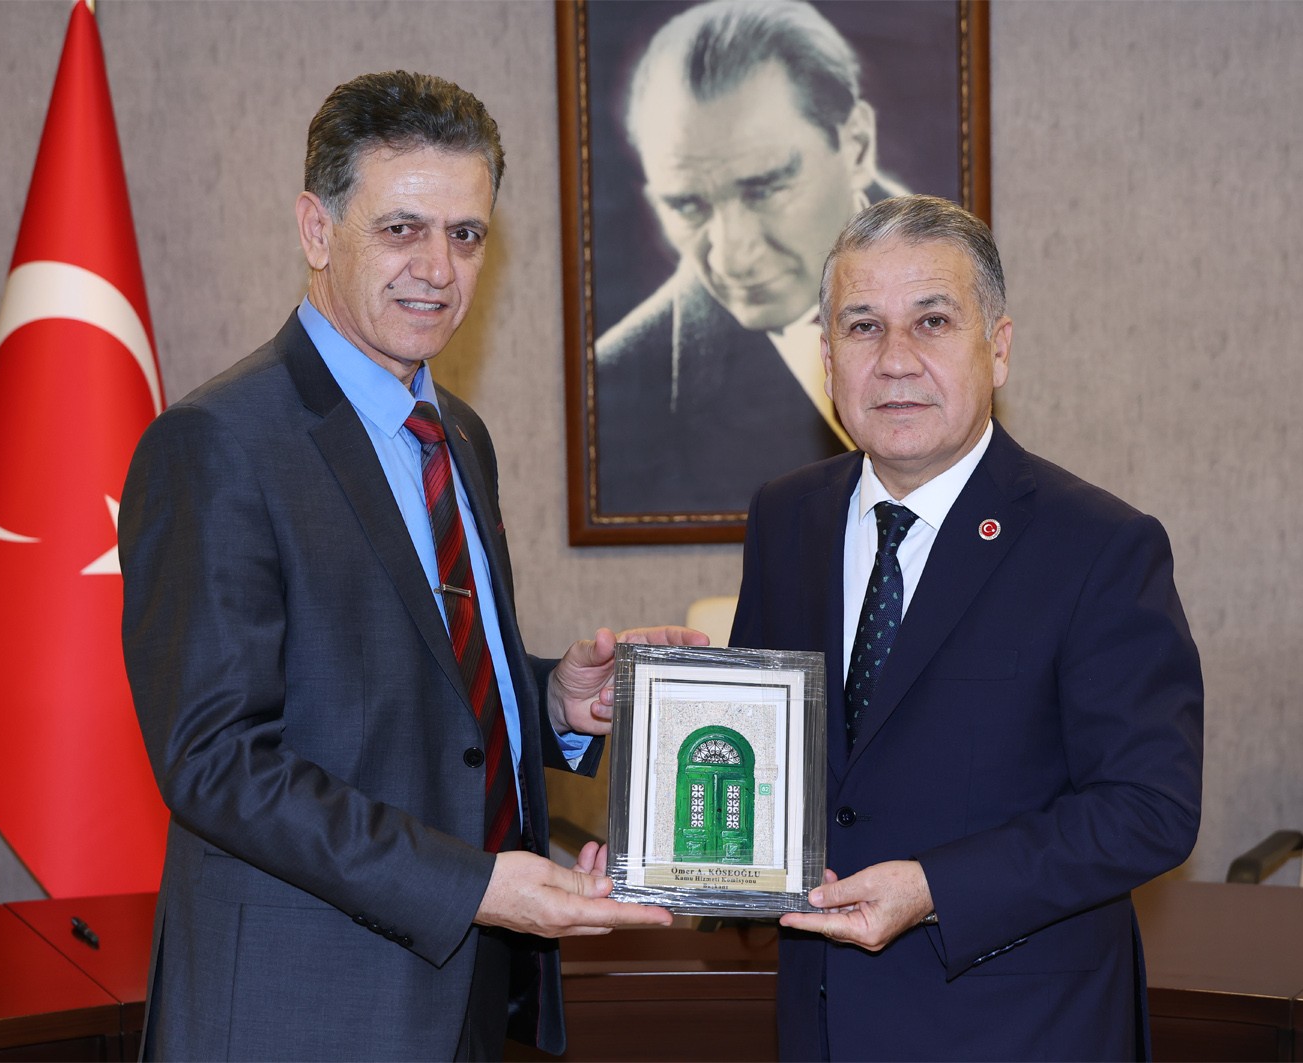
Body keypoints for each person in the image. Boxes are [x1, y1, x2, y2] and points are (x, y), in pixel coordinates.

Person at [120, 71, 691, 1060]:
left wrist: (551, 701)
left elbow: (421, 691)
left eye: (465, 235)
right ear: (316, 230)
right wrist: (471, 884)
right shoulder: (217, 443)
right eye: (401, 229)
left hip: (469, 995)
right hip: (303, 1012)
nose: (437, 268)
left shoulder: (457, 433)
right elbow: (215, 761)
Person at [730, 195, 1204, 1060]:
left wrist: (934, 887)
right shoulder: (785, 516)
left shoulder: (1098, 544)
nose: (895, 359)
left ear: (999, 347)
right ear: (828, 358)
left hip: (1017, 1027)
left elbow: (1150, 808)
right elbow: (764, 759)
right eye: (863, 326)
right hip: (823, 1021)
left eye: (933, 321)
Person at [594, 0, 910, 516]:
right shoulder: (620, 381)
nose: (732, 256)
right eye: (687, 205)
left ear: (856, 145)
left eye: (764, 188)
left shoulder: (965, 310)